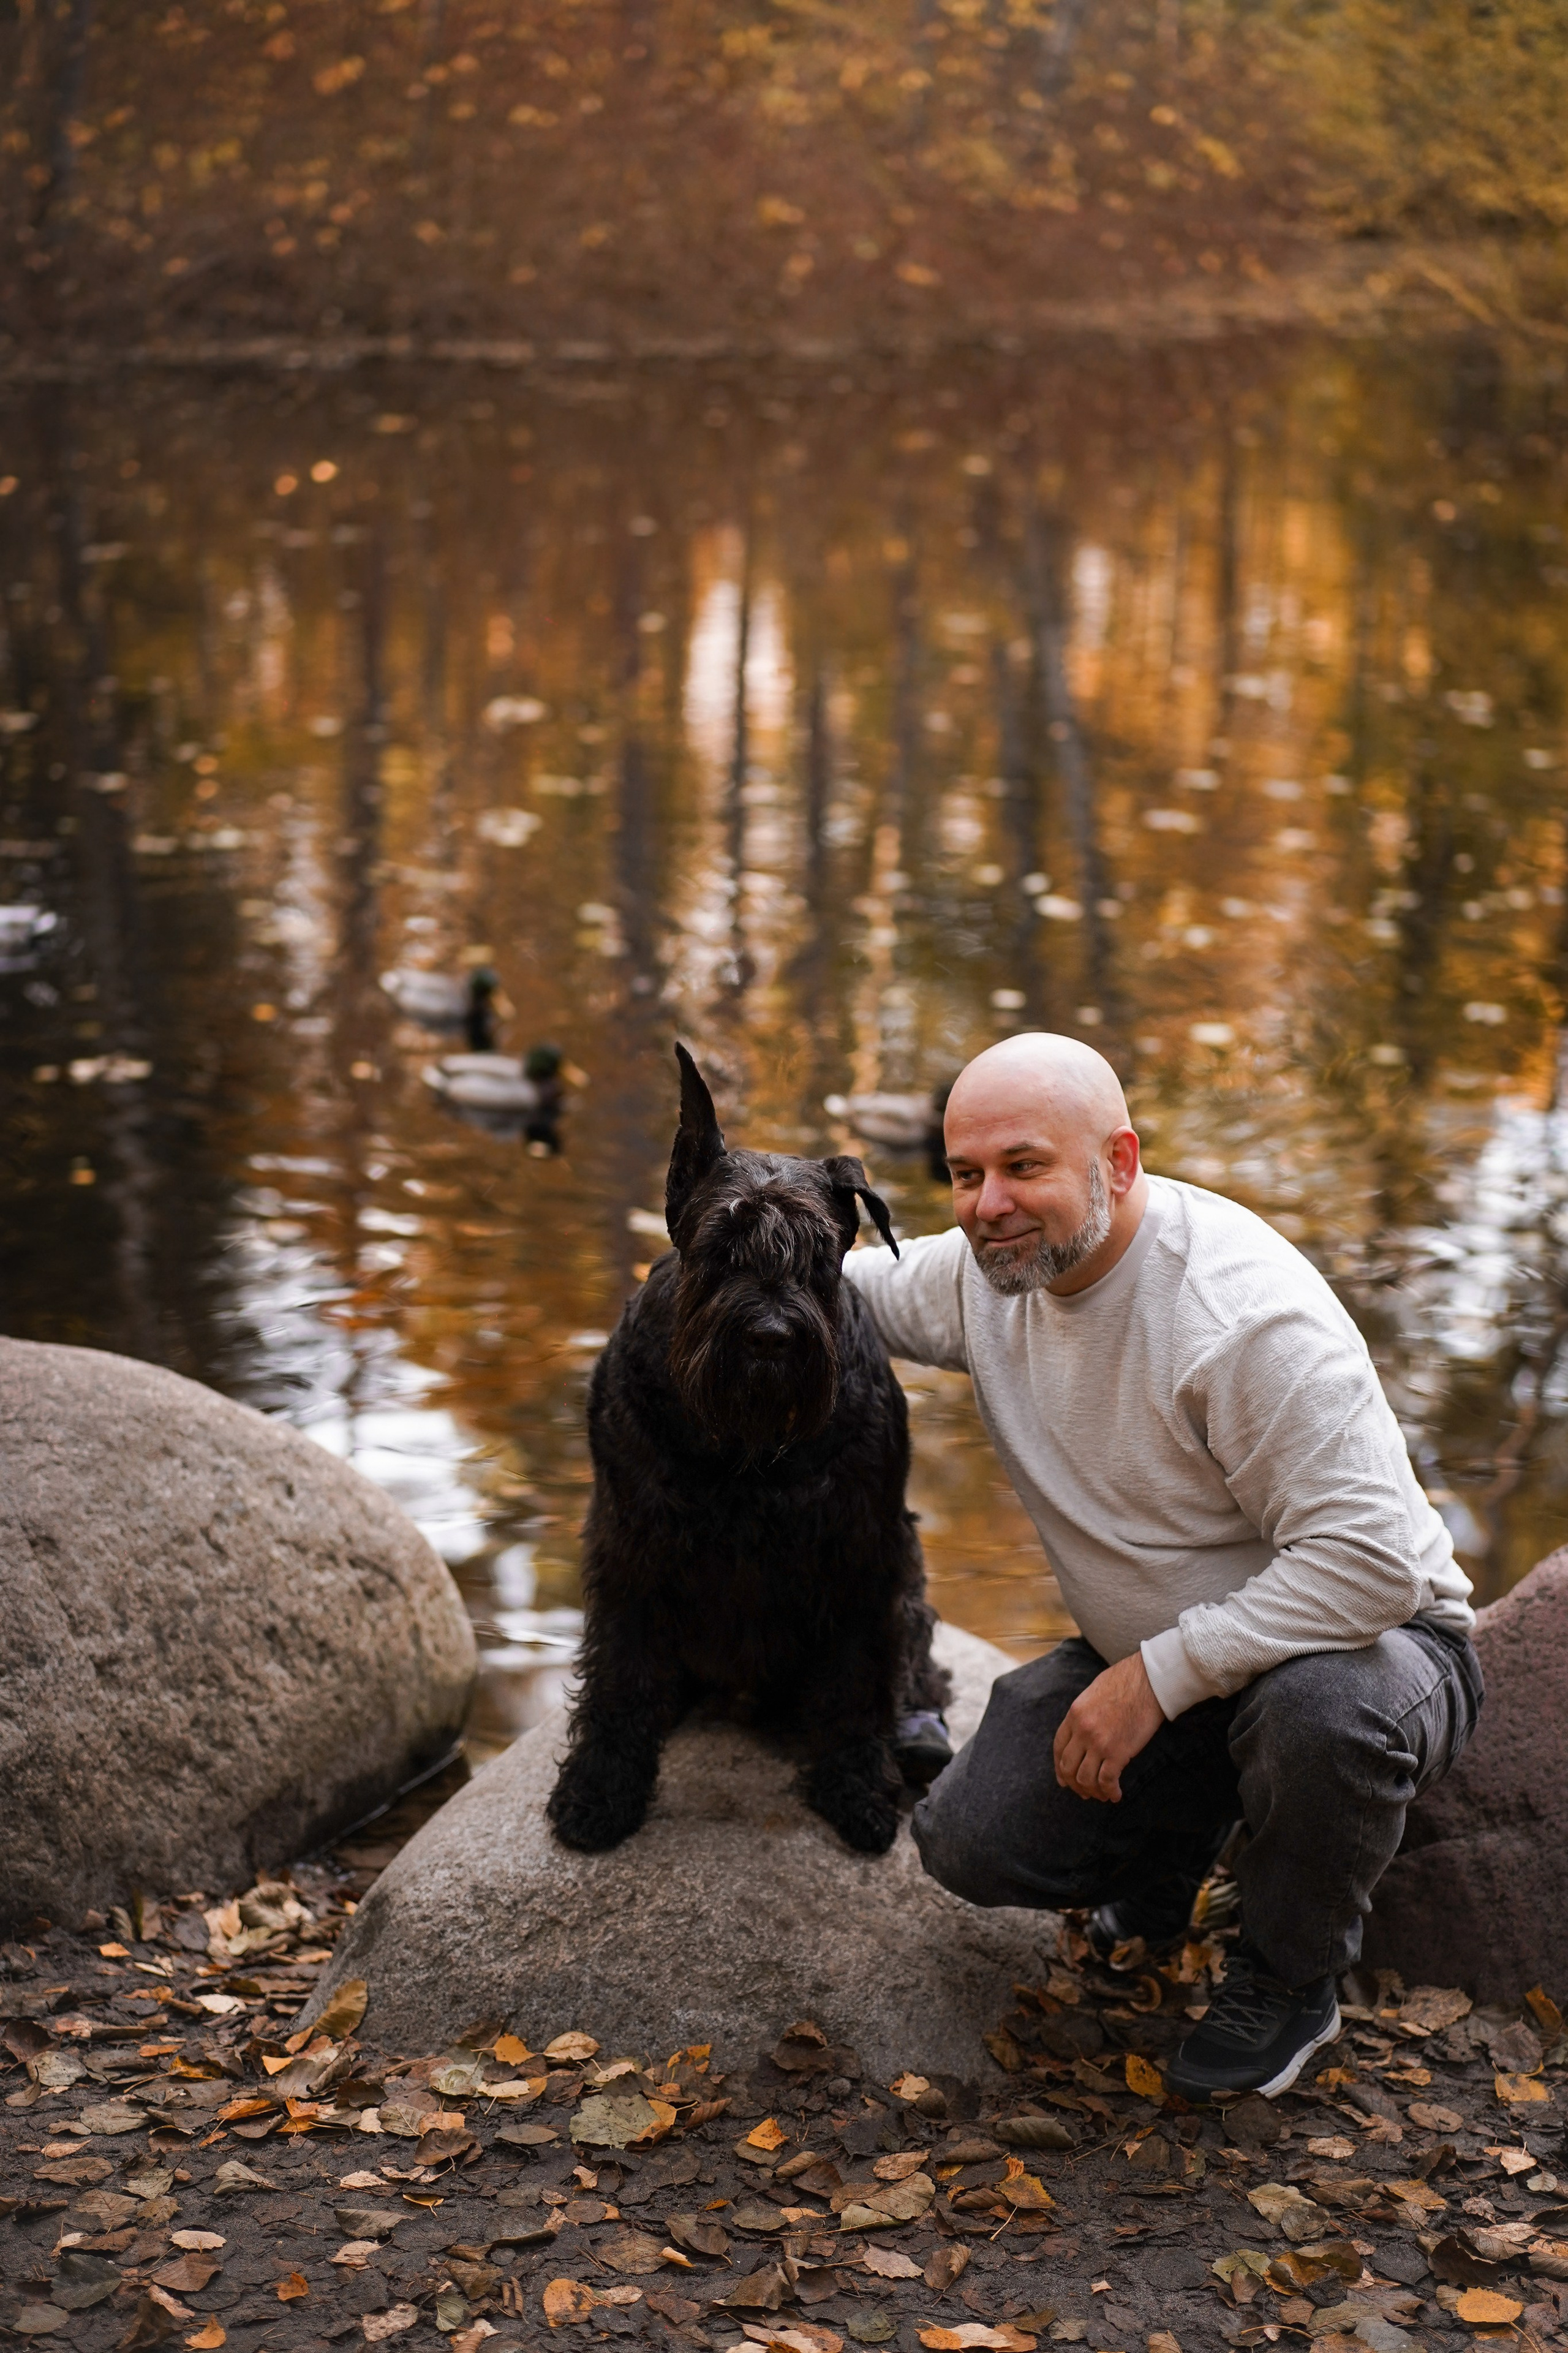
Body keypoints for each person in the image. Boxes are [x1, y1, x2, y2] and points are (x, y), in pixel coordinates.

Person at [843, 1032, 1482, 2101]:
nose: (986, 1202)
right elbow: (842, 1289)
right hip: (1174, 1662)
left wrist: (1155, 1677)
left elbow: (1371, 1569)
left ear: (1120, 1162)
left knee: (1322, 1715)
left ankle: (1290, 1977)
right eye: (963, 1174)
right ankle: (1185, 1846)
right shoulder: (989, 1276)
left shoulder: (1238, 1315)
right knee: (968, 1842)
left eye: (1024, 1165)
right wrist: (708, 1267)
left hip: (1380, 1651)